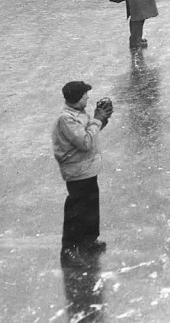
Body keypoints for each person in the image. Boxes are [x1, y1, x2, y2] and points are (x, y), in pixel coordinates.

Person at [52, 81, 114, 267]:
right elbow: (85, 142)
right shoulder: (67, 119)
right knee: (77, 211)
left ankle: (88, 241)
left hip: (87, 169)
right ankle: (70, 248)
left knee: (90, 206)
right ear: (78, 98)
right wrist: (98, 119)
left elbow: (89, 133)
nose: (88, 97)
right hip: (77, 171)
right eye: (86, 95)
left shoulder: (78, 114)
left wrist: (100, 120)